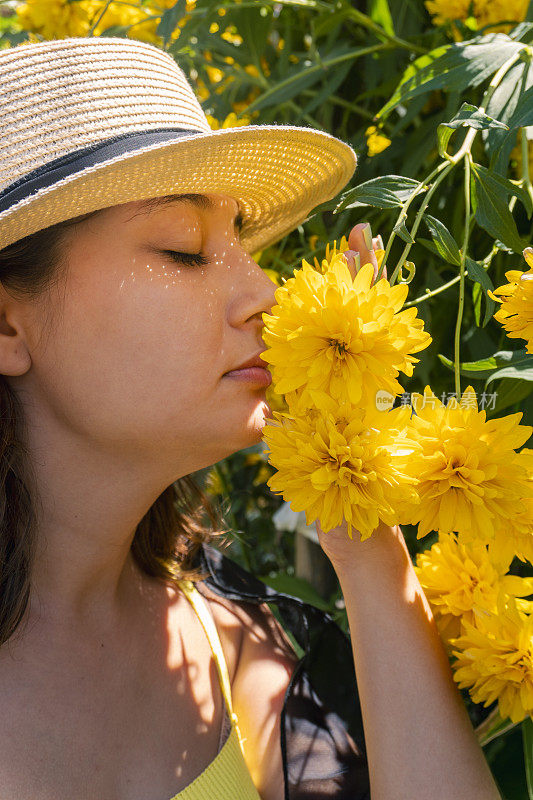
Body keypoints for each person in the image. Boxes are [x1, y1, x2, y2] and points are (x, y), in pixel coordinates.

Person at [0, 36, 500, 800]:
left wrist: (363, 530)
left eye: (240, 240)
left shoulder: (239, 648)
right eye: (184, 249)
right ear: (7, 327)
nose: (262, 290)